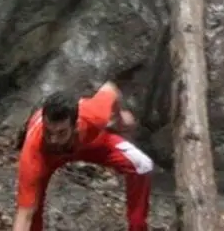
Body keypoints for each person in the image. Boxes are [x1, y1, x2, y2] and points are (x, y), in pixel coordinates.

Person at [12, 82, 152, 231]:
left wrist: (119, 121)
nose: (53, 139)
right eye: (48, 132)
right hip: (46, 156)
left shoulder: (94, 115)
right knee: (33, 210)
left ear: (75, 126)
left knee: (142, 165)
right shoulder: (33, 150)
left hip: (90, 144)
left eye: (61, 133)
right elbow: (24, 214)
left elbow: (110, 88)